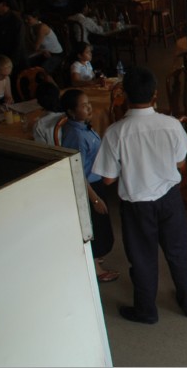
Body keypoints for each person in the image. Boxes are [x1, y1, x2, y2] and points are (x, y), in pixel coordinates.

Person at [92, 66, 187, 324]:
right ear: (155, 94)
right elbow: (181, 164)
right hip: (170, 198)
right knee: (178, 252)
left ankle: (146, 311)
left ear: (125, 95)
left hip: (136, 205)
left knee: (142, 259)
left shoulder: (115, 132)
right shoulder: (171, 125)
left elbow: (107, 178)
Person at [59, 89, 120, 284]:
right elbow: (77, 170)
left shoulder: (83, 127)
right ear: (70, 111)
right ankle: (95, 268)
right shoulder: (75, 135)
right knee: (95, 227)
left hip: (97, 183)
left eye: (88, 104)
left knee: (101, 226)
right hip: (89, 187)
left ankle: (96, 258)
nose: (89, 108)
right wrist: (94, 198)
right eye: (83, 106)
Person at [0, 0, 26, 73]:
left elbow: (18, 45)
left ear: (4, 4)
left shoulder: (16, 21)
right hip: (0, 57)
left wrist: (10, 64)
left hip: (12, 61)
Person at [22, 9, 64, 75]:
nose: (26, 21)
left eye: (28, 19)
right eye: (25, 19)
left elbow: (35, 47)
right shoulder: (30, 27)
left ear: (36, 18)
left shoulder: (42, 27)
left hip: (54, 54)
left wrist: (26, 36)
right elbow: (30, 45)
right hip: (43, 52)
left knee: (41, 71)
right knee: (24, 60)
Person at [32, 80, 63, 145]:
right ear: (58, 96)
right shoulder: (67, 115)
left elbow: (41, 150)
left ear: (39, 102)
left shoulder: (39, 125)